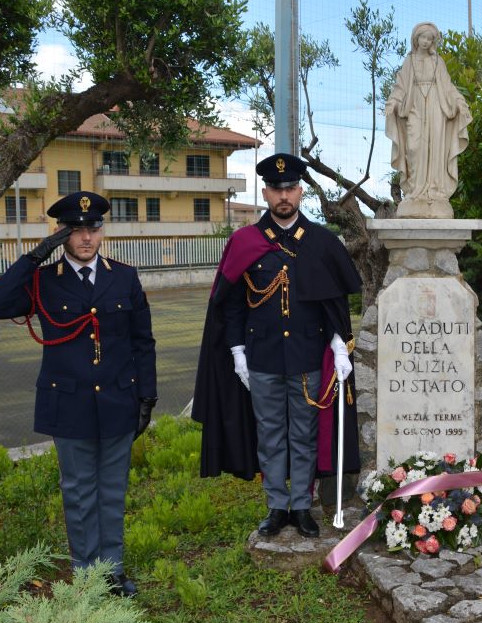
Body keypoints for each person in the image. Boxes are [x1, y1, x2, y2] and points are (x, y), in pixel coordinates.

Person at [192, 153, 362, 539]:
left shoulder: (321, 242)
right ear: (265, 193)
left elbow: (335, 305)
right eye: (276, 189)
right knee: (270, 433)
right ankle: (275, 506)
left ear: (300, 191)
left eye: (290, 188)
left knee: (303, 433)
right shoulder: (245, 241)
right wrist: (236, 352)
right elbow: (230, 305)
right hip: (262, 358)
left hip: (306, 357)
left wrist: (338, 344)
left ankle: (301, 506)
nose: (284, 196)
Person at [0, 191, 157, 597]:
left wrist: (148, 397)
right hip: (68, 402)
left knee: (112, 491)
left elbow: (143, 342)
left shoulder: (123, 276)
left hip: (120, 401)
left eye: (93, 228)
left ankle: (112, 571)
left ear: (103, 232)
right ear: (62, 234)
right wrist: (35, 256)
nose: (86, 237)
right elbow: (2, 300)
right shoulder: (42, 280)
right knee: (79, 492)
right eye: (76, 230)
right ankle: (86, 575)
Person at [385, 21, 471, 218]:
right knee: (414, 148)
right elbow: (400, 86)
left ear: (433, 42)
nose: (425, 41)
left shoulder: (437, 62)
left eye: (429, 39)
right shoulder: (409, 61)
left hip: (436, 106)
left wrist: (458, 102)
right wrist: (394, 103)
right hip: (414, 105)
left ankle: (435, 191)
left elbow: (448, 87)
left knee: (435, 148)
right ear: (416, 39)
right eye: (422, 37)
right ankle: (415, 192)